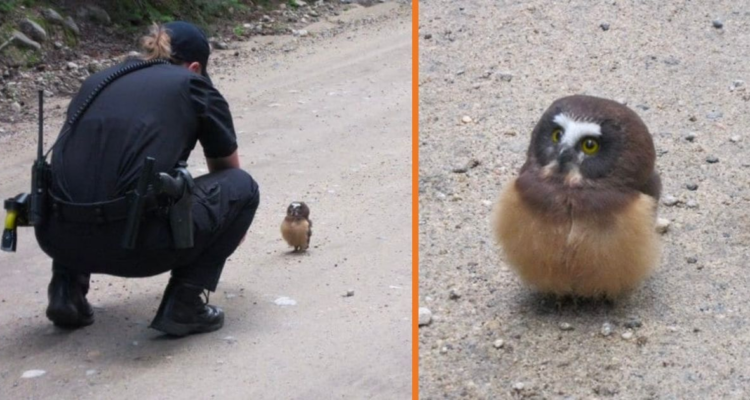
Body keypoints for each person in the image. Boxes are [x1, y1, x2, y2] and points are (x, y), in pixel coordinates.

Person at [33, 21, 260, 336]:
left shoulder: (97, 82)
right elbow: (227, 171)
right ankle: (185, 304)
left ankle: (65, 293)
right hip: (136, 248)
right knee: (243, 188)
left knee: (90, 174)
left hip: (57, 238)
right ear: (195, 67)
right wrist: (227, 222)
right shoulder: (194, 85)